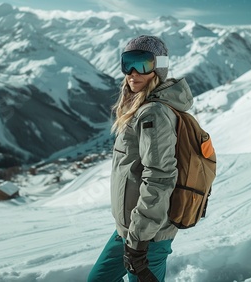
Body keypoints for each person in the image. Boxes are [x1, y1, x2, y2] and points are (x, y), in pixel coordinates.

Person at [88, 35, 193, 282]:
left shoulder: (153, 113)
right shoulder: (142, 107)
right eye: (128, 63)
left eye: (143, 64)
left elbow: (160, 178)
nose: (133, 73)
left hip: (147, 235)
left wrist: (139, 239)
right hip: (129, 229)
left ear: (159, 68)